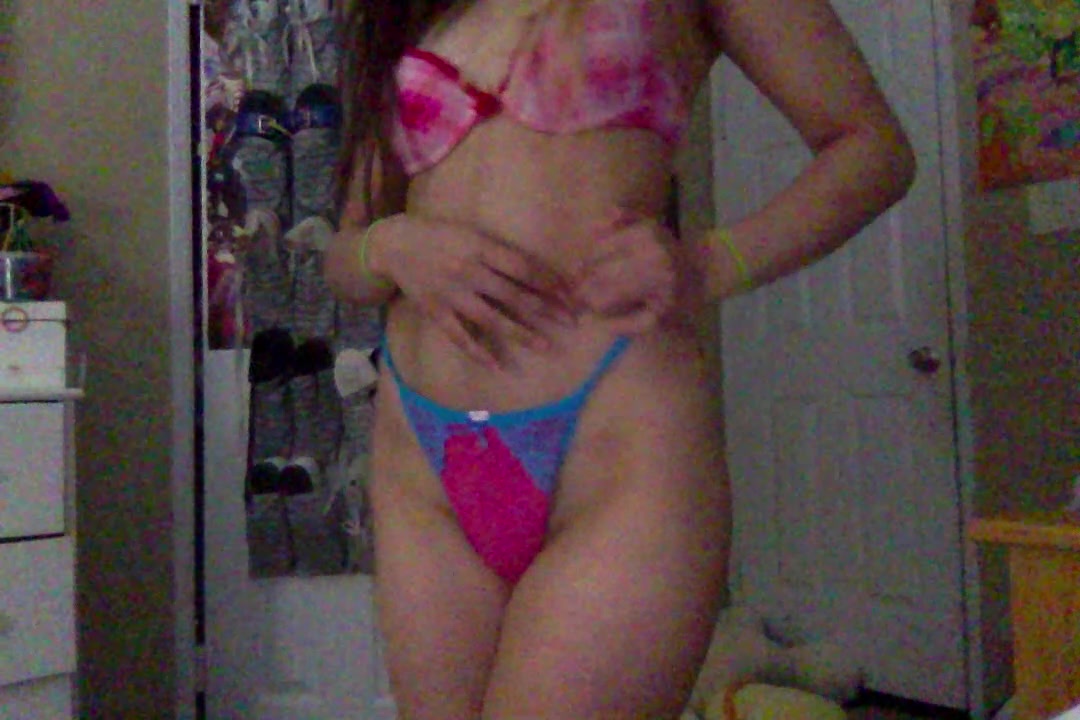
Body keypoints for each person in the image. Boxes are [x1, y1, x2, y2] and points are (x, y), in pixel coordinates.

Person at [324, 1, 915, 717]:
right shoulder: (412, 8)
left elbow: (872, 148)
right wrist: (389, 246)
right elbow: (344, 258)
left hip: (615, 443)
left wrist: (710, 263)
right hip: (422, 457)